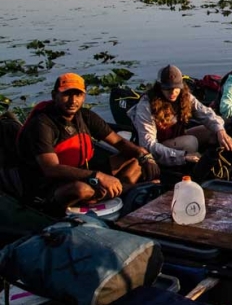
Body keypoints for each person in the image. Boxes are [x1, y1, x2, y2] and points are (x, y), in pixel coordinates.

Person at [16, 73, 160, 213]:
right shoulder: (42, 124)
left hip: (84, 173)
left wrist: (145, 156)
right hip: (49, 186)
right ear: (55, 96)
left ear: (84, 96)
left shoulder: (85, 116)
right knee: (81, 190)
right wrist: (98, 176)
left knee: (135, 159)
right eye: (67, 94)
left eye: (78, 95)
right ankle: (127, 189)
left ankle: (115, 190)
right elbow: (51, 169)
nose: (73, 101)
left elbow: (119, 142)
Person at [128, 65, 232, 166]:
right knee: (191, 142)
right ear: (160, 87)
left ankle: (214, 160)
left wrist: (221, 131)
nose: (173, 92)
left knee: (215, 129)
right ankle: (187, 168)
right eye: (168, 89)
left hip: (176, 137)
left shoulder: (184, 96)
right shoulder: (146, 105)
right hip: (158, 147)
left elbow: (206, 113)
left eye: (176, 88)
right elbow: (148, 144)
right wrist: (182, 156)